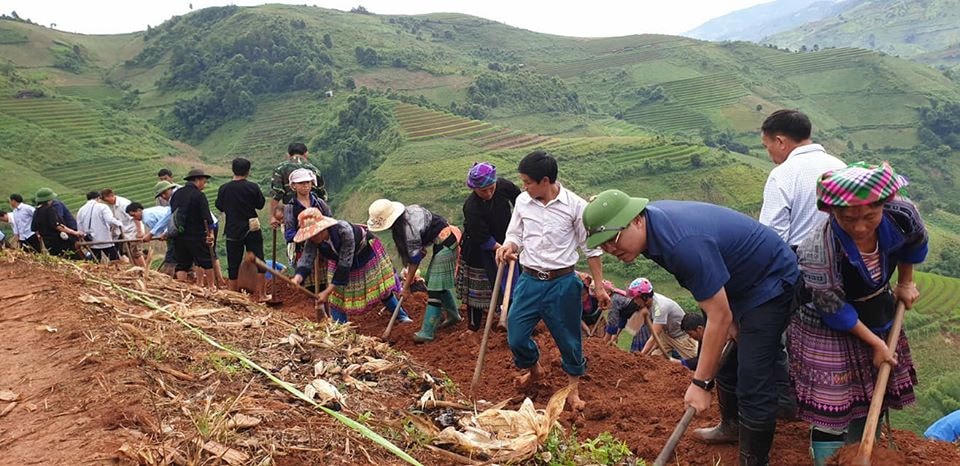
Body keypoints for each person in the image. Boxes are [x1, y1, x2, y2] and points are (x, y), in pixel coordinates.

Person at [583, 189, 800, 465]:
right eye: (603, 246)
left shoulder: (681, 244)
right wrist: (730, 318)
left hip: (771, 280)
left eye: (613, 239)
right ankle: (732, 426)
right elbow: (717, 303)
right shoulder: (652, 230)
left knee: (752, 376)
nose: (611, 251)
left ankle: (754, 460)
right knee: (728, 364)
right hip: (737, 281)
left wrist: (700, 383)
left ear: (636, 219)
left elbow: (718, 316)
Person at [788, 162, 926, 465]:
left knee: (873, 388)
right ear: (831, 211)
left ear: (884, 205)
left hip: (877, 307)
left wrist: (905, 282)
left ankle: (868, 452)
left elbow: (914, 244)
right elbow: (833, 309)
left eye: (870, 216)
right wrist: (877, 344)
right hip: (824, 319)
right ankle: (830, 459)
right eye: (848, 218)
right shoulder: (817, 248)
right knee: (833, 401)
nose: (861, 226)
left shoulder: (902, 215)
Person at [495, 150, 610, 412]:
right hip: (530, 280)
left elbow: (591, 250)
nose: (523, 187)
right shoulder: (524, 202)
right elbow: (516, 233)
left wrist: (599, 287)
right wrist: (509, 245)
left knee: (569, 339)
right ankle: (535, 369)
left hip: (563, 283)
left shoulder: (576, 206)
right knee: (516, 335)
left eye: (527, 181)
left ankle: (573, 390)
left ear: (545, 181)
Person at [290, 208, 409, 324]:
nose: (311, 238)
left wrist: (327, 291)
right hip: (337, 260)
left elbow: (345, 263)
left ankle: (401, 316)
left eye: (313, 234)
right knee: (336, 298)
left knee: (382, 290)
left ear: (322, 229)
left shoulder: (344, 231)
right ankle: (340, 327)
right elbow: (306, 259)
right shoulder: (313, 240)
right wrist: (297, 278)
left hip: (364, 254)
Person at [367, 198, 459, 340]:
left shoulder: (409, 229)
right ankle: (453, 316)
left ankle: (427, 332)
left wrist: (406, 286)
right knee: (433, 280)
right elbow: (418, 251)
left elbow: (414, 261)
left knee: (434, 286)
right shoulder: (407, 215)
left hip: (447, 243)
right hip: (441, 241)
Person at [759, 109, 846, 248]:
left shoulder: (782, 175)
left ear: (780, 141)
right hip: (844, 260)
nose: (768, 152)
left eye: (766, 146)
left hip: (799, 262)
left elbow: (772, 237)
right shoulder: (841, 167)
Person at [457, 162, 522, 331]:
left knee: (514, 281)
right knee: (477, 288)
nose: (488, 193)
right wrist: (500, 249)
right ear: (474, 189)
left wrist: (513, 241)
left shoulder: (505, 187)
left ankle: (513, 319)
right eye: (482, 190)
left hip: (507, 239)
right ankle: (473, 327)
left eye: (491, 188)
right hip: (480, 247)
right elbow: (481, 236)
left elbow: (521, 203)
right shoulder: (471, 207)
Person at [216, 158, 267, 299]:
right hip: (252, 227)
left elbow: (219, 206)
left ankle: (233, 294)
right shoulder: (253, 187)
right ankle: (262, 294)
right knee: (259, 260)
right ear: (248, 171)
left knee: (233, 262)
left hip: (232, 228)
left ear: (233, 170)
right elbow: (260, 204)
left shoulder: (224, 188)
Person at [626, 277, 699, 360]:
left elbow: (654, 335)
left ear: (644, 297)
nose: (635, 301)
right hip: (666, 335)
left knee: (695, 362)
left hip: (681, 337)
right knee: (654, 359)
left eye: (636, 298)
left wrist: (640, 357)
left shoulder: (660, 307)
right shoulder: (648, 304)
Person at [169, 169, 216, 288]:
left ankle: (181, 289)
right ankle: (211, 287)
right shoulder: (199, 195)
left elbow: (173, 212)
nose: (204, 185)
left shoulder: (177, 194)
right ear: (197, 180)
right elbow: (207, 217)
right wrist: (210, 233)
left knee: (182, 263)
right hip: (196, 234)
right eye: (203, 182)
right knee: (206, 261)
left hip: (179, 234)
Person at [270, 142, 326, 229]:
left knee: (293, 239)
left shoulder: (280, 169)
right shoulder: (314, 170)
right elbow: (322, 195)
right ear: (306, 153)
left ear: (288, 155)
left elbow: (277, 194)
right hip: (312, 215)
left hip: (290, 215)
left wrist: (273, 216)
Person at [284, 168, 332, 267]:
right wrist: (306, 236)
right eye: (301, 183)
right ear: (294, 186)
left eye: (308, 182)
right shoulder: (290, 207)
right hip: (303, 251)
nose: (305, 185)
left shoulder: (319, 203)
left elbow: (330, 221)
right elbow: (289, 234)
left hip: (324, 250)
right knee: (304, 277)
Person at [30, 188, 81, 257]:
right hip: (60, 241)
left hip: (48, 243)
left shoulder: (36, 212)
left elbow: (33, 228)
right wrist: (74, 232)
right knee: (73, 258)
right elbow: (58, 226)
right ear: (48, 199)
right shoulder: (49, 209)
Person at [76, 191, 123, 263]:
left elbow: (79, 228)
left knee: (95, 263)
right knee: (115, 261)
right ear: (98, 198)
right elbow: (109, 220)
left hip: (90, 241)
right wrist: (120, 223)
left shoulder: (81, 210)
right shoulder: (102, 207)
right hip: (105, 240)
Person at [100, 188, 138, 259]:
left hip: (132, 231)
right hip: (123, 232)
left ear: (111, 196)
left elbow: (135, 217)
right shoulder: (110, 206)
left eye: (107, 200)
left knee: (136, 253)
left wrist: (140, 232)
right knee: (126, 252)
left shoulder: (124, 203)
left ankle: (142, 268)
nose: (107, 202)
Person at [122, 202, 150, 268]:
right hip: (132, 236)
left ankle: (143, 268)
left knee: (137, 253)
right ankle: (137, 268)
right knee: (133, 253)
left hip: (135, 236)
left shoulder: (137, 218)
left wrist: (139, 233)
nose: (133, 216)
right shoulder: (136, 216)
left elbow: (138, 225)